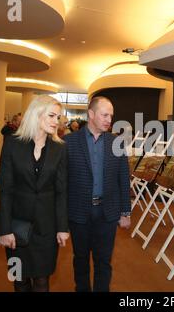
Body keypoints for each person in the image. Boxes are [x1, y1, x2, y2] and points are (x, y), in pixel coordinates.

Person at [0, 96, 69, 292]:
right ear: (36, 115)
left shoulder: (60, 148)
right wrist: (4, 229)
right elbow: (5, 190)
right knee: (18, 279)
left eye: (59, 117)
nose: (57, 121)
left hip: (47, 227)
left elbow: (62, 191)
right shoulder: (12, 143)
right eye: (52, 116)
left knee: (42, 281)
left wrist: (63, 227)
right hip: (16, 227)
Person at [64, 96, 131, 292]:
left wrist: (125, 211)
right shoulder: (68, 142)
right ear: (91, 114)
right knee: (81, 259)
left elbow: (123, 179)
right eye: (105, 114)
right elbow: (62, 182)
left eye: (111, 115)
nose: (109, 119)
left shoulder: (117, 143)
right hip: (78, 212)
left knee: (104, 261)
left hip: (107, 213)